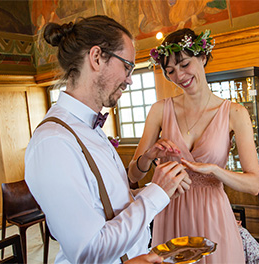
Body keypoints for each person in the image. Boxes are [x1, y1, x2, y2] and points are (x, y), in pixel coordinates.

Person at [25, 15, 191, 264]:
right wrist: (156, 194)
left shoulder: (91, 129)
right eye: (127, 66)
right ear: (96, 58)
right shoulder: (53, 143)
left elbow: (110, 206)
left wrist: (159, 189)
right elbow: (89, 251)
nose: (130, 78)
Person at [128, 28, 259, 263]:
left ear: (202, 57)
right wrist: (149, 156)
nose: (179, 76)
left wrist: (214, 170)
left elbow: (254, 184)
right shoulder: (160, 110)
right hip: (170, 212)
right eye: (170, 71)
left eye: (184, 64)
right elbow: (133, 173)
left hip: (214, 214)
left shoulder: (235, 113)